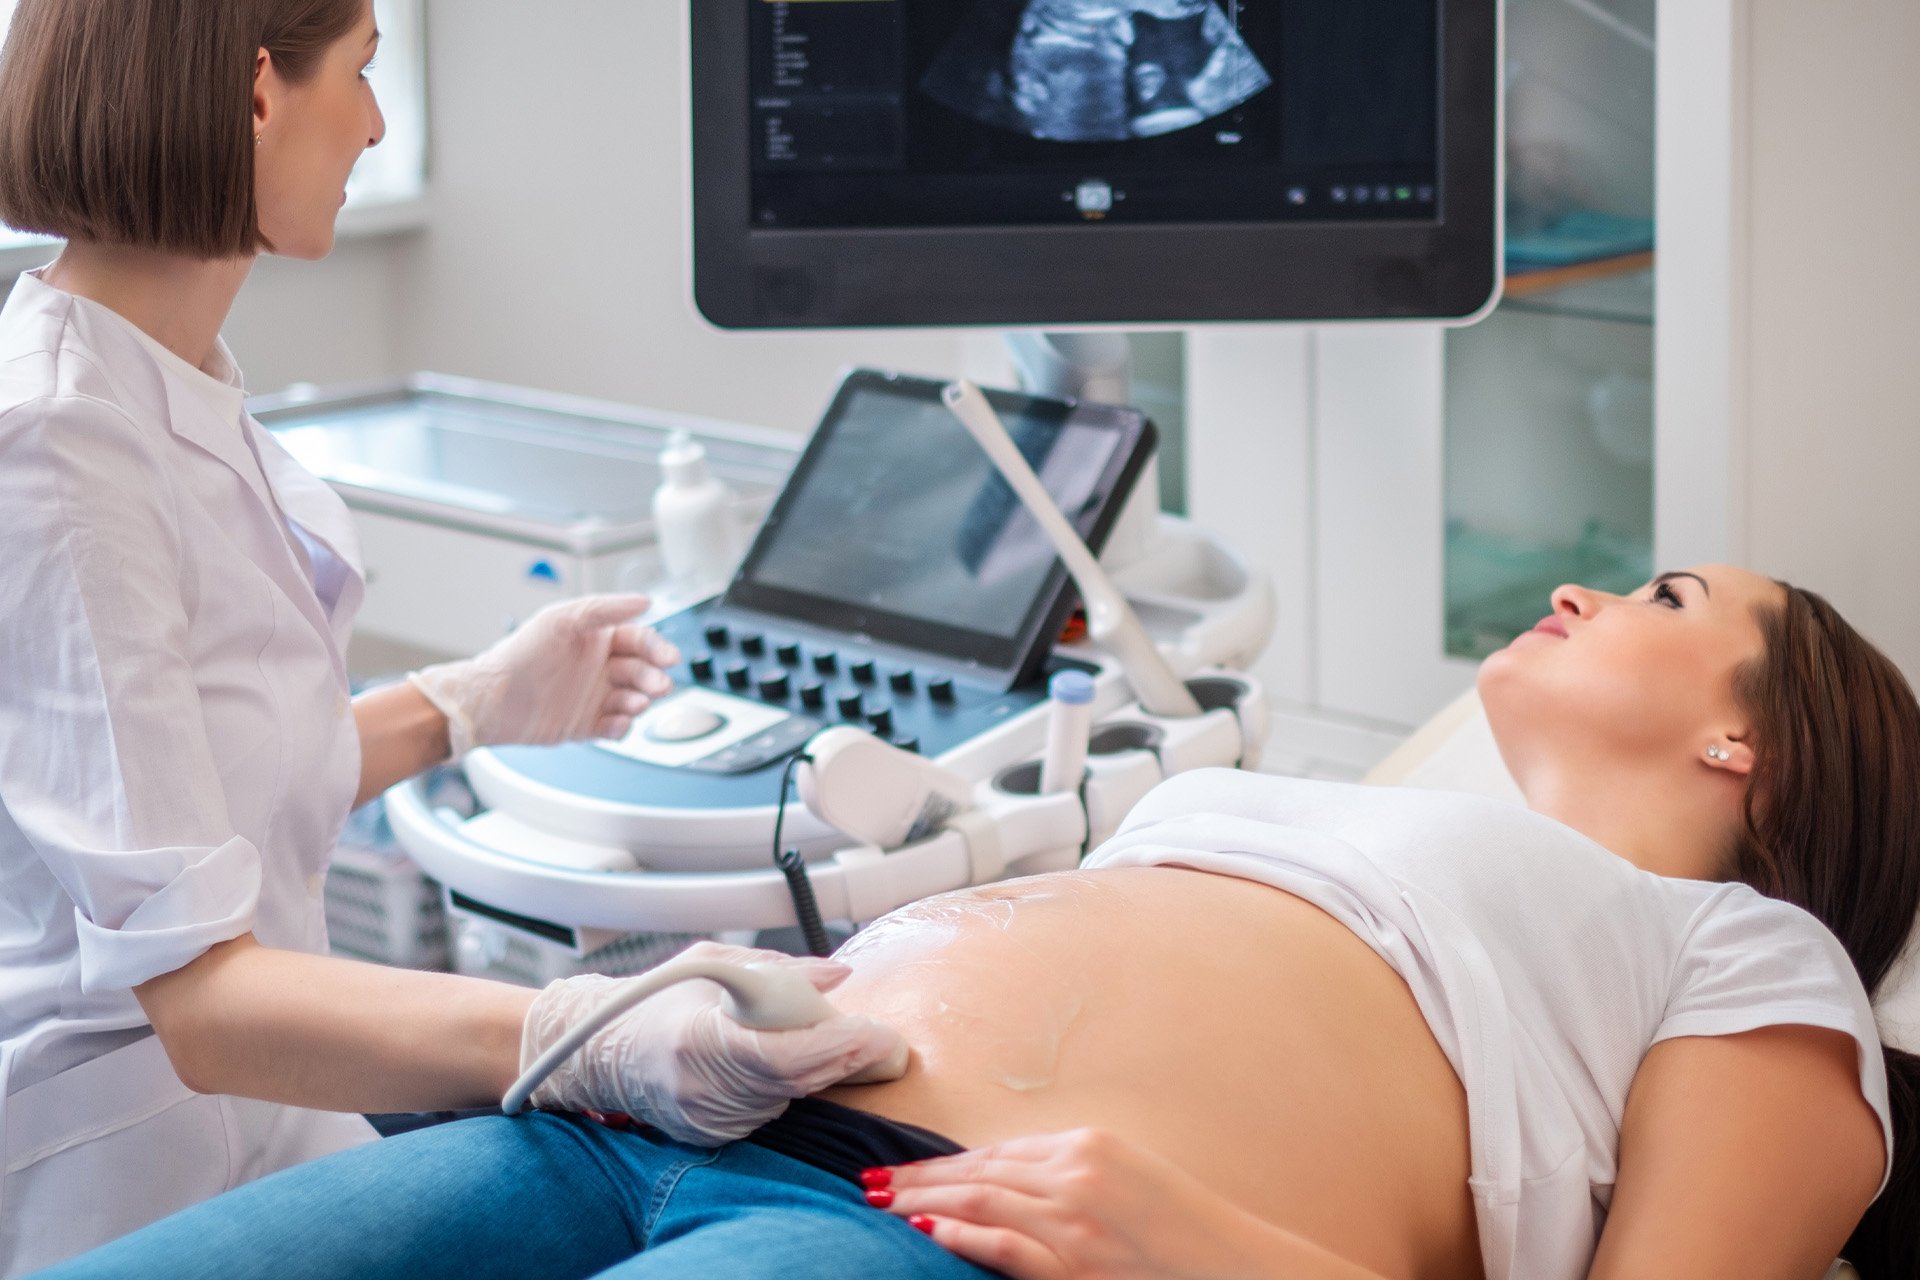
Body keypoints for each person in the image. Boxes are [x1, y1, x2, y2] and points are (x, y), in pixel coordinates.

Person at [32, 565, 1920, 1280]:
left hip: (949, 1236)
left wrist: (1212, 1252)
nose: (1592, 585)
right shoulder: (1307, 805)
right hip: (648, 1123)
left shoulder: (1755, 963)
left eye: (1669, 590)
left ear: (1750, 733)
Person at [0, 2, 903, 1273]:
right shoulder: (58, 443)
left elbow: (204, 783)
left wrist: (473, 701)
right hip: (129, 1171)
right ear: (259, 92)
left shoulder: (164, 368)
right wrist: (587, 1025)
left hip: (272, 1118)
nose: (374, 123)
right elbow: (201, 996)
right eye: (363, 76)